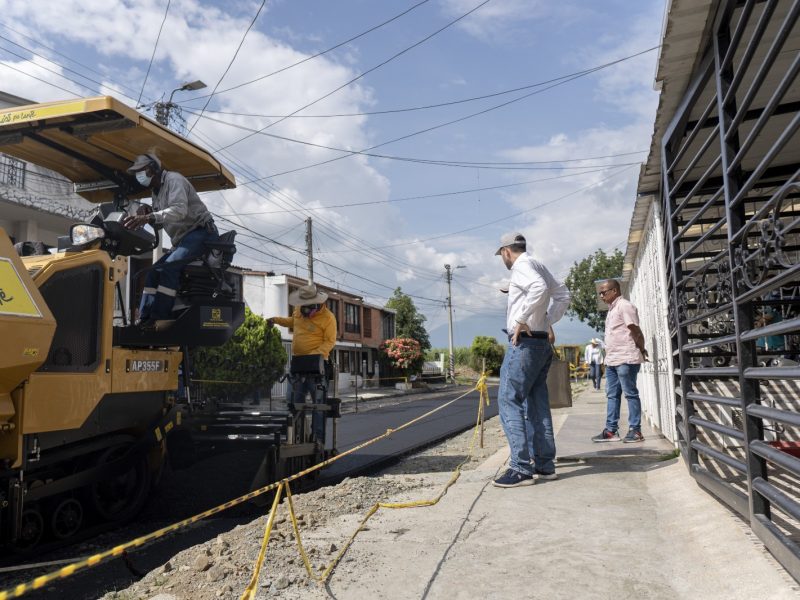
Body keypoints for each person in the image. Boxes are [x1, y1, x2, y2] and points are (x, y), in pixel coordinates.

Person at [492, 232, 571, 488]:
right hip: (540, 342)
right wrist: (546, 320)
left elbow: (538, 288)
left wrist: (521, 319)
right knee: (538, 404)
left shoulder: (521, 266)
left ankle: (520, 468)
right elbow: (563, 295)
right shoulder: (538, 264)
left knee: (508, 399)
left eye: (502, 255)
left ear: (506, 251)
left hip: (524, 344)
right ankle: (545, 465)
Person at [123, 153, 218, 329]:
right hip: (183, 239)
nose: (138, 176)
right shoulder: (156, 192)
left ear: (152, 169)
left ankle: (160, 318)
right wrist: (149, 213)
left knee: (169, 267)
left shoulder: (174, 180)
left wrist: (150, 217)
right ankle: (145, 318)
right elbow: (161, 222)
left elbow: (179, 211)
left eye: (141, 171)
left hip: (201, 232)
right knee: (153, 272)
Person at [268, 283, 336, 441]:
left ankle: (317, 439)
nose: (304, 311)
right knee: (293, 402)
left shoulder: (328, 318)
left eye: (307, 307)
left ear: (317, 304)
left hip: (317, 367)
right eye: (302, 306)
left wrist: (313, 356)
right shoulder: (299, 311)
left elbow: (329, 342)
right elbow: (292, 321)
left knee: (318, 405)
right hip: (298, 365)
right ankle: (295, 436)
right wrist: (276, 320)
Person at [591, 279, 647, 443]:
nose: (601, 296)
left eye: (604, 292)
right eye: (600, 293)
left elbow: (635, 330)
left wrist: (641, 349)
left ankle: (635, 431)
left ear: (614, 291)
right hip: (612, 360)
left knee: (630, 394)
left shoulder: (624, 306)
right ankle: (611, 431)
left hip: (626, 358)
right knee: (612, 395)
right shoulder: (611, 309)